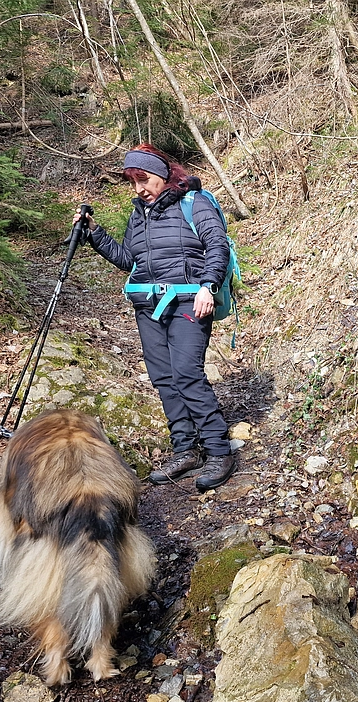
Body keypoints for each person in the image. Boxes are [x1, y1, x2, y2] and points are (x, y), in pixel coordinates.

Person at [72, 144, 236, 491]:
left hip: (190, 302)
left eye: (144, 180)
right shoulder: (139, 214)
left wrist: (208, 285)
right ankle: (185, 449)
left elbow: (217, 246)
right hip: (149, 306)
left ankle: (219, 451)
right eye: (133, 182)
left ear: (162, 174)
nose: (139, 189)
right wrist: (94, 233)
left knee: (187, 374)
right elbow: (128, 260)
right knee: (163, 378)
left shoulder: (196, 203)